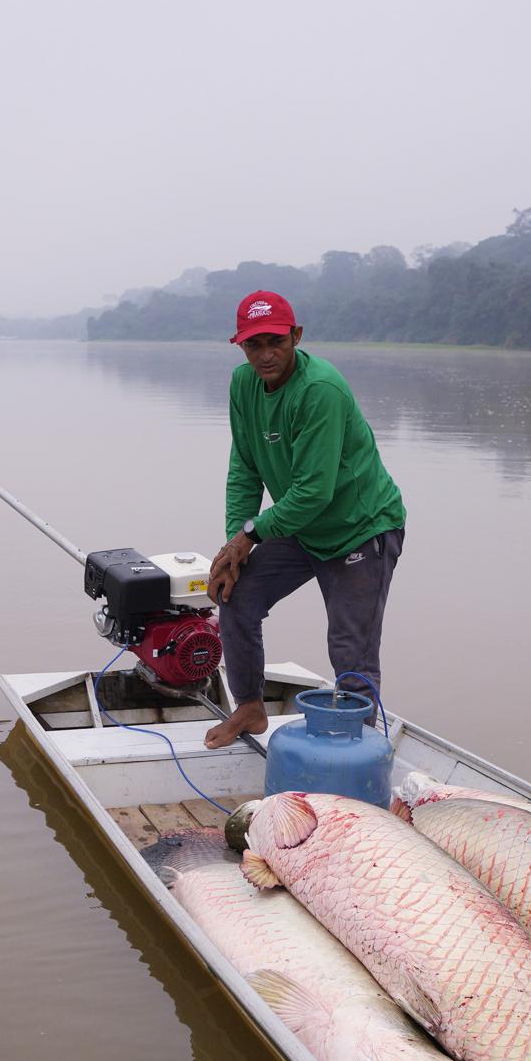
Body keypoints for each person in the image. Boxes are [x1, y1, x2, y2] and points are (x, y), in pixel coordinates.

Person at [202, 289, 408, 748]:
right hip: (299, 526)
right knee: (235, 594)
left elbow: (314, 491)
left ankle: (359, 751)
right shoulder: (243, 385)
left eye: (275, 341)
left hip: (360, 529)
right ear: (240, 346)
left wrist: (253, 534)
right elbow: (245, 467)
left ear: (296, 336)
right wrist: (237, 539)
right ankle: (250, 707)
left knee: (350, 651)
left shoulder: (320, 390)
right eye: (253, 345)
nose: (265, 355)